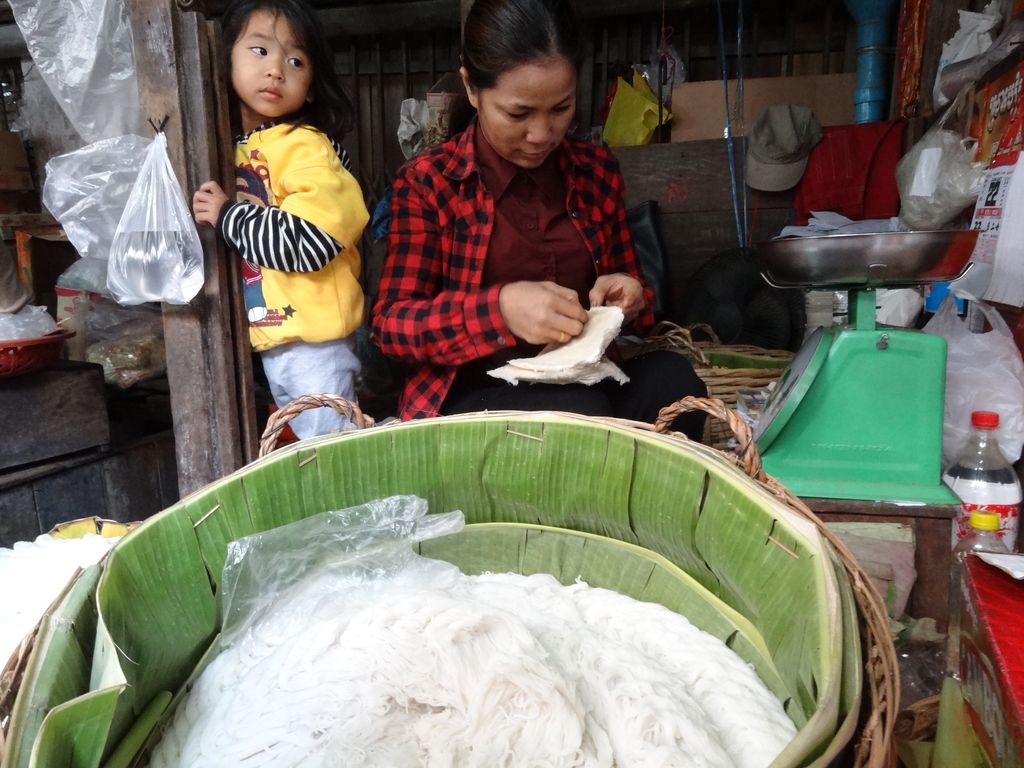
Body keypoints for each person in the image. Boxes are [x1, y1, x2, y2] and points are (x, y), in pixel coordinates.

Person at [372, 0, 706, 438]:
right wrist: (500, 311)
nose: (542, 134)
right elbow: (392, 326)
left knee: (675, 384)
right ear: (472, 88)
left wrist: (629, 295)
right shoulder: (429, 183)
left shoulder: (596, 173)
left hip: (581, 380)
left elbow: (637, 305)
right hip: (472, 394)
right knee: (578, 414)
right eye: (519, 113)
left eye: (561, 108)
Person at [192, 0, 368, 439]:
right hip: (278, 336)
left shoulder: (306, 147)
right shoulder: (238, 145)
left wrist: (229, 216)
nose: (276, 70)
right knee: (317, 443)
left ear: (310, 87)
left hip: (314, 342)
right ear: (225, 60)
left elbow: (313, 241)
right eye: (260, 50)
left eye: (295, 61)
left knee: (334, 446)